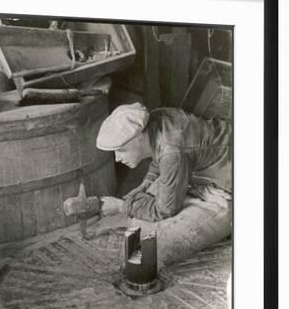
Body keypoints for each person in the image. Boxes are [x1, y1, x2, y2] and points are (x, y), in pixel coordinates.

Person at [96, 102, 232, 266]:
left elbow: (164, 211)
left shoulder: (172, 151)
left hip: (227, 186)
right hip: (199, 173)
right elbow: (158, 159)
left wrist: (121, 206)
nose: (117, 158)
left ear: (139, 136)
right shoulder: (155, 120)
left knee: (156, 248)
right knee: (138, 223)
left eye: (121, 150)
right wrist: (143, 188)